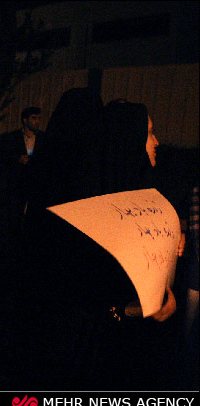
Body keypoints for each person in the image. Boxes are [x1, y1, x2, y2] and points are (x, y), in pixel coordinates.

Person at [18, 90, 177, 390]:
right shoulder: (88, 208)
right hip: (85, 353)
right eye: (149, 133)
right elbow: (84, 296)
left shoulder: (136, 194)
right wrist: (132, 309)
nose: (157, 141)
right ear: (127, 140)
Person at [0, 107, 44, 239]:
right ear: (25, 120)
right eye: (34, 118)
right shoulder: (14, 137)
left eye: (38, 118)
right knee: (15, 214)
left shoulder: (42, 137)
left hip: (35, 181)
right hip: (18, 182)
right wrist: (17, 159)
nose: (37, 121)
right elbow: (4, 157)